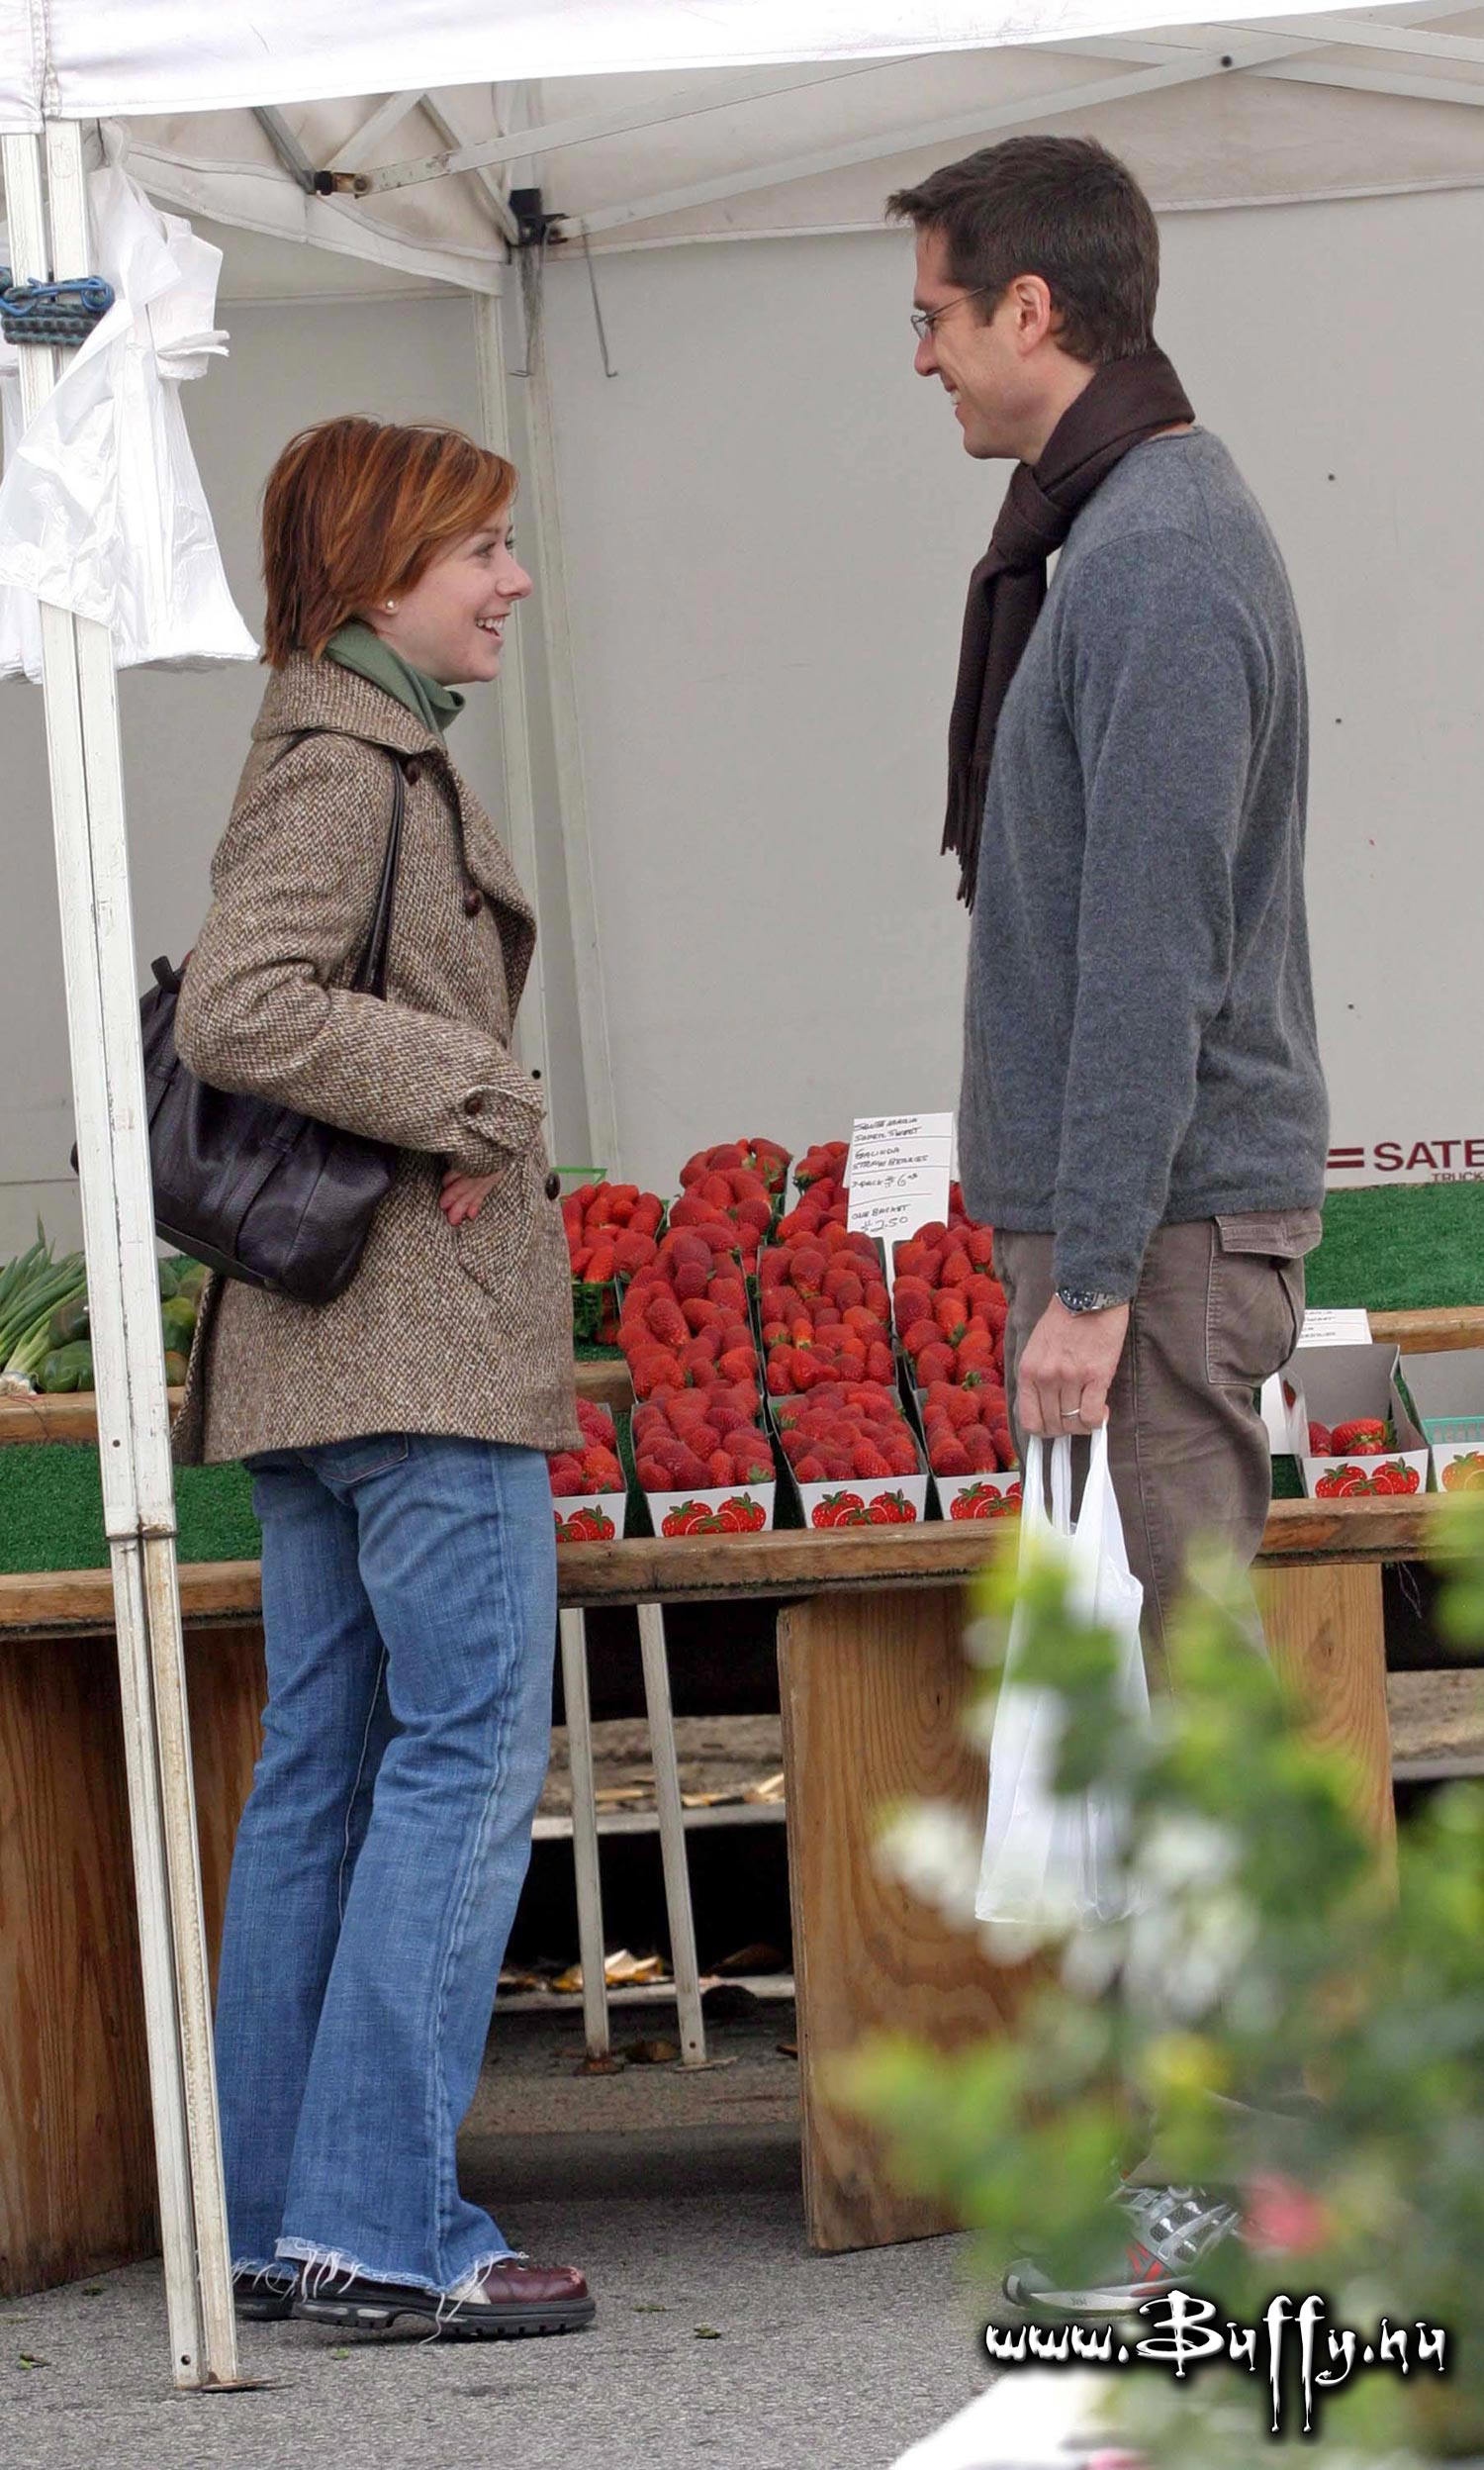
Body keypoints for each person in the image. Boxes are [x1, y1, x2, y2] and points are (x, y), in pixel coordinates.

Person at [887, 139, 1329, 2313]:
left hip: (1151, 1240)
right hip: (1137, 1227)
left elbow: (1152, 948)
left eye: (936, 318)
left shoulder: (1157, 553)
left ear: (1033, 312)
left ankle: (1233, 2215)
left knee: (1177, 1720)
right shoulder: (1120, 530)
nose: (927, 360)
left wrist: (1081, 1275)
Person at [172, 416, 594, 2341]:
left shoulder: (347, 745)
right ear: (380, 566)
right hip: (411, 1350)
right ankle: (383, 2227)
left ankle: (281, 2217)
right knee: (459, 1758)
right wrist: (477, 1087)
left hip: (321, 1351)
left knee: (328, 1777)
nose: (513, 579)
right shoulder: (352, 763)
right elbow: (243, 1004)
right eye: (480, 548)